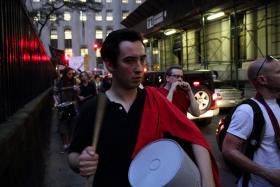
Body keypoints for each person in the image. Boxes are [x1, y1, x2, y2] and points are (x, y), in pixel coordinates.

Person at [67, 29, 220, 187]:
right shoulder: (92, 108)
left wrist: (208, 182)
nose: (139, 68)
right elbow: (72, 154)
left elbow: (194, 137)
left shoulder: (155, 100)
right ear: (109, 64)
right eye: (129, 61)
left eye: (142, 59)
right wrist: (81, 162)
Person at [222, 56, 280, 187]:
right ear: (262, 79)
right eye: (279, 72)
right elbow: (229, 150)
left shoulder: (278, 104)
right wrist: (269, 175)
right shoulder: (247, 111)